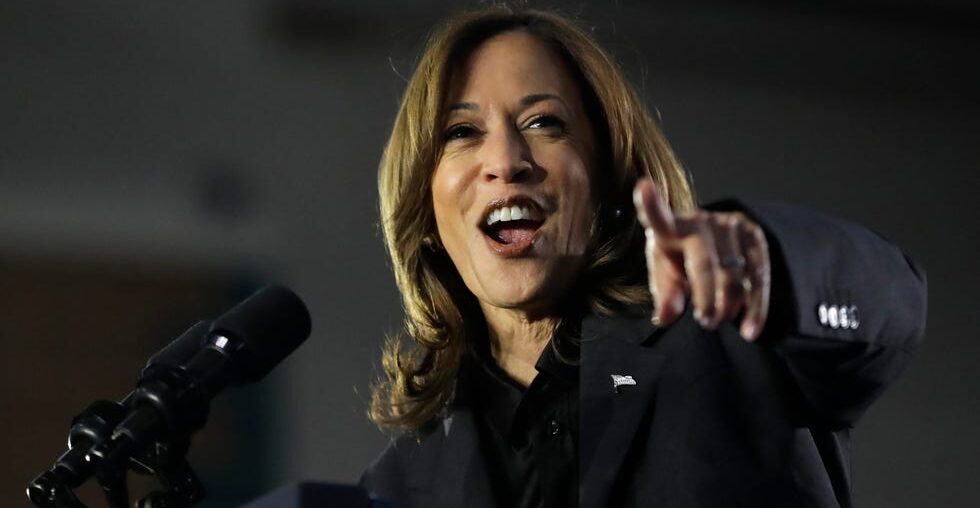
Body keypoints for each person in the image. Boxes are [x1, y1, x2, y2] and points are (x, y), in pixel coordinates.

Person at [360, 6, 927, 508]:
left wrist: (772, 269)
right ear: (424, 206)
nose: (506, 160)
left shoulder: (728, 342)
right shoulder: (398, 485)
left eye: (544, 123)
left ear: (608, 176)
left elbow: (890, 303)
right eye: (461, 131)